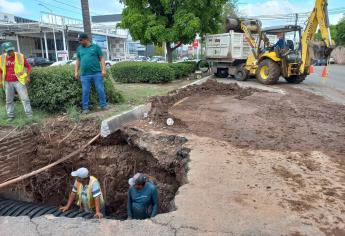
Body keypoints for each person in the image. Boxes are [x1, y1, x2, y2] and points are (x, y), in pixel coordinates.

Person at [75, 33, 108, 114]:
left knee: (100, 89)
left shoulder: (95, 47)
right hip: (84, 74)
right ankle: (85, 108)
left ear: (86, 39)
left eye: (81, 40)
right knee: (85, 90)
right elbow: (78, 60)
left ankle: (103, 105)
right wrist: (76, 71)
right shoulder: (79, 49)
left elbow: (102, 58)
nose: (80, 42)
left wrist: (103, 69)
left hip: (96, 73)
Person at [0, 42, 32, 121]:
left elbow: (28, 67)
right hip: (7, 82)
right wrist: (1, 81)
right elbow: (0, 71)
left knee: (25, 99)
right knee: (9, 100)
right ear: (4, 51)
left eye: (11, 50)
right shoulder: (1, 58)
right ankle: (10, 116)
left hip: (18, 81)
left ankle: (29, 115)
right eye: (8, 51)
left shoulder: (20, 56)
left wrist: (27, 76)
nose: (11, 52)